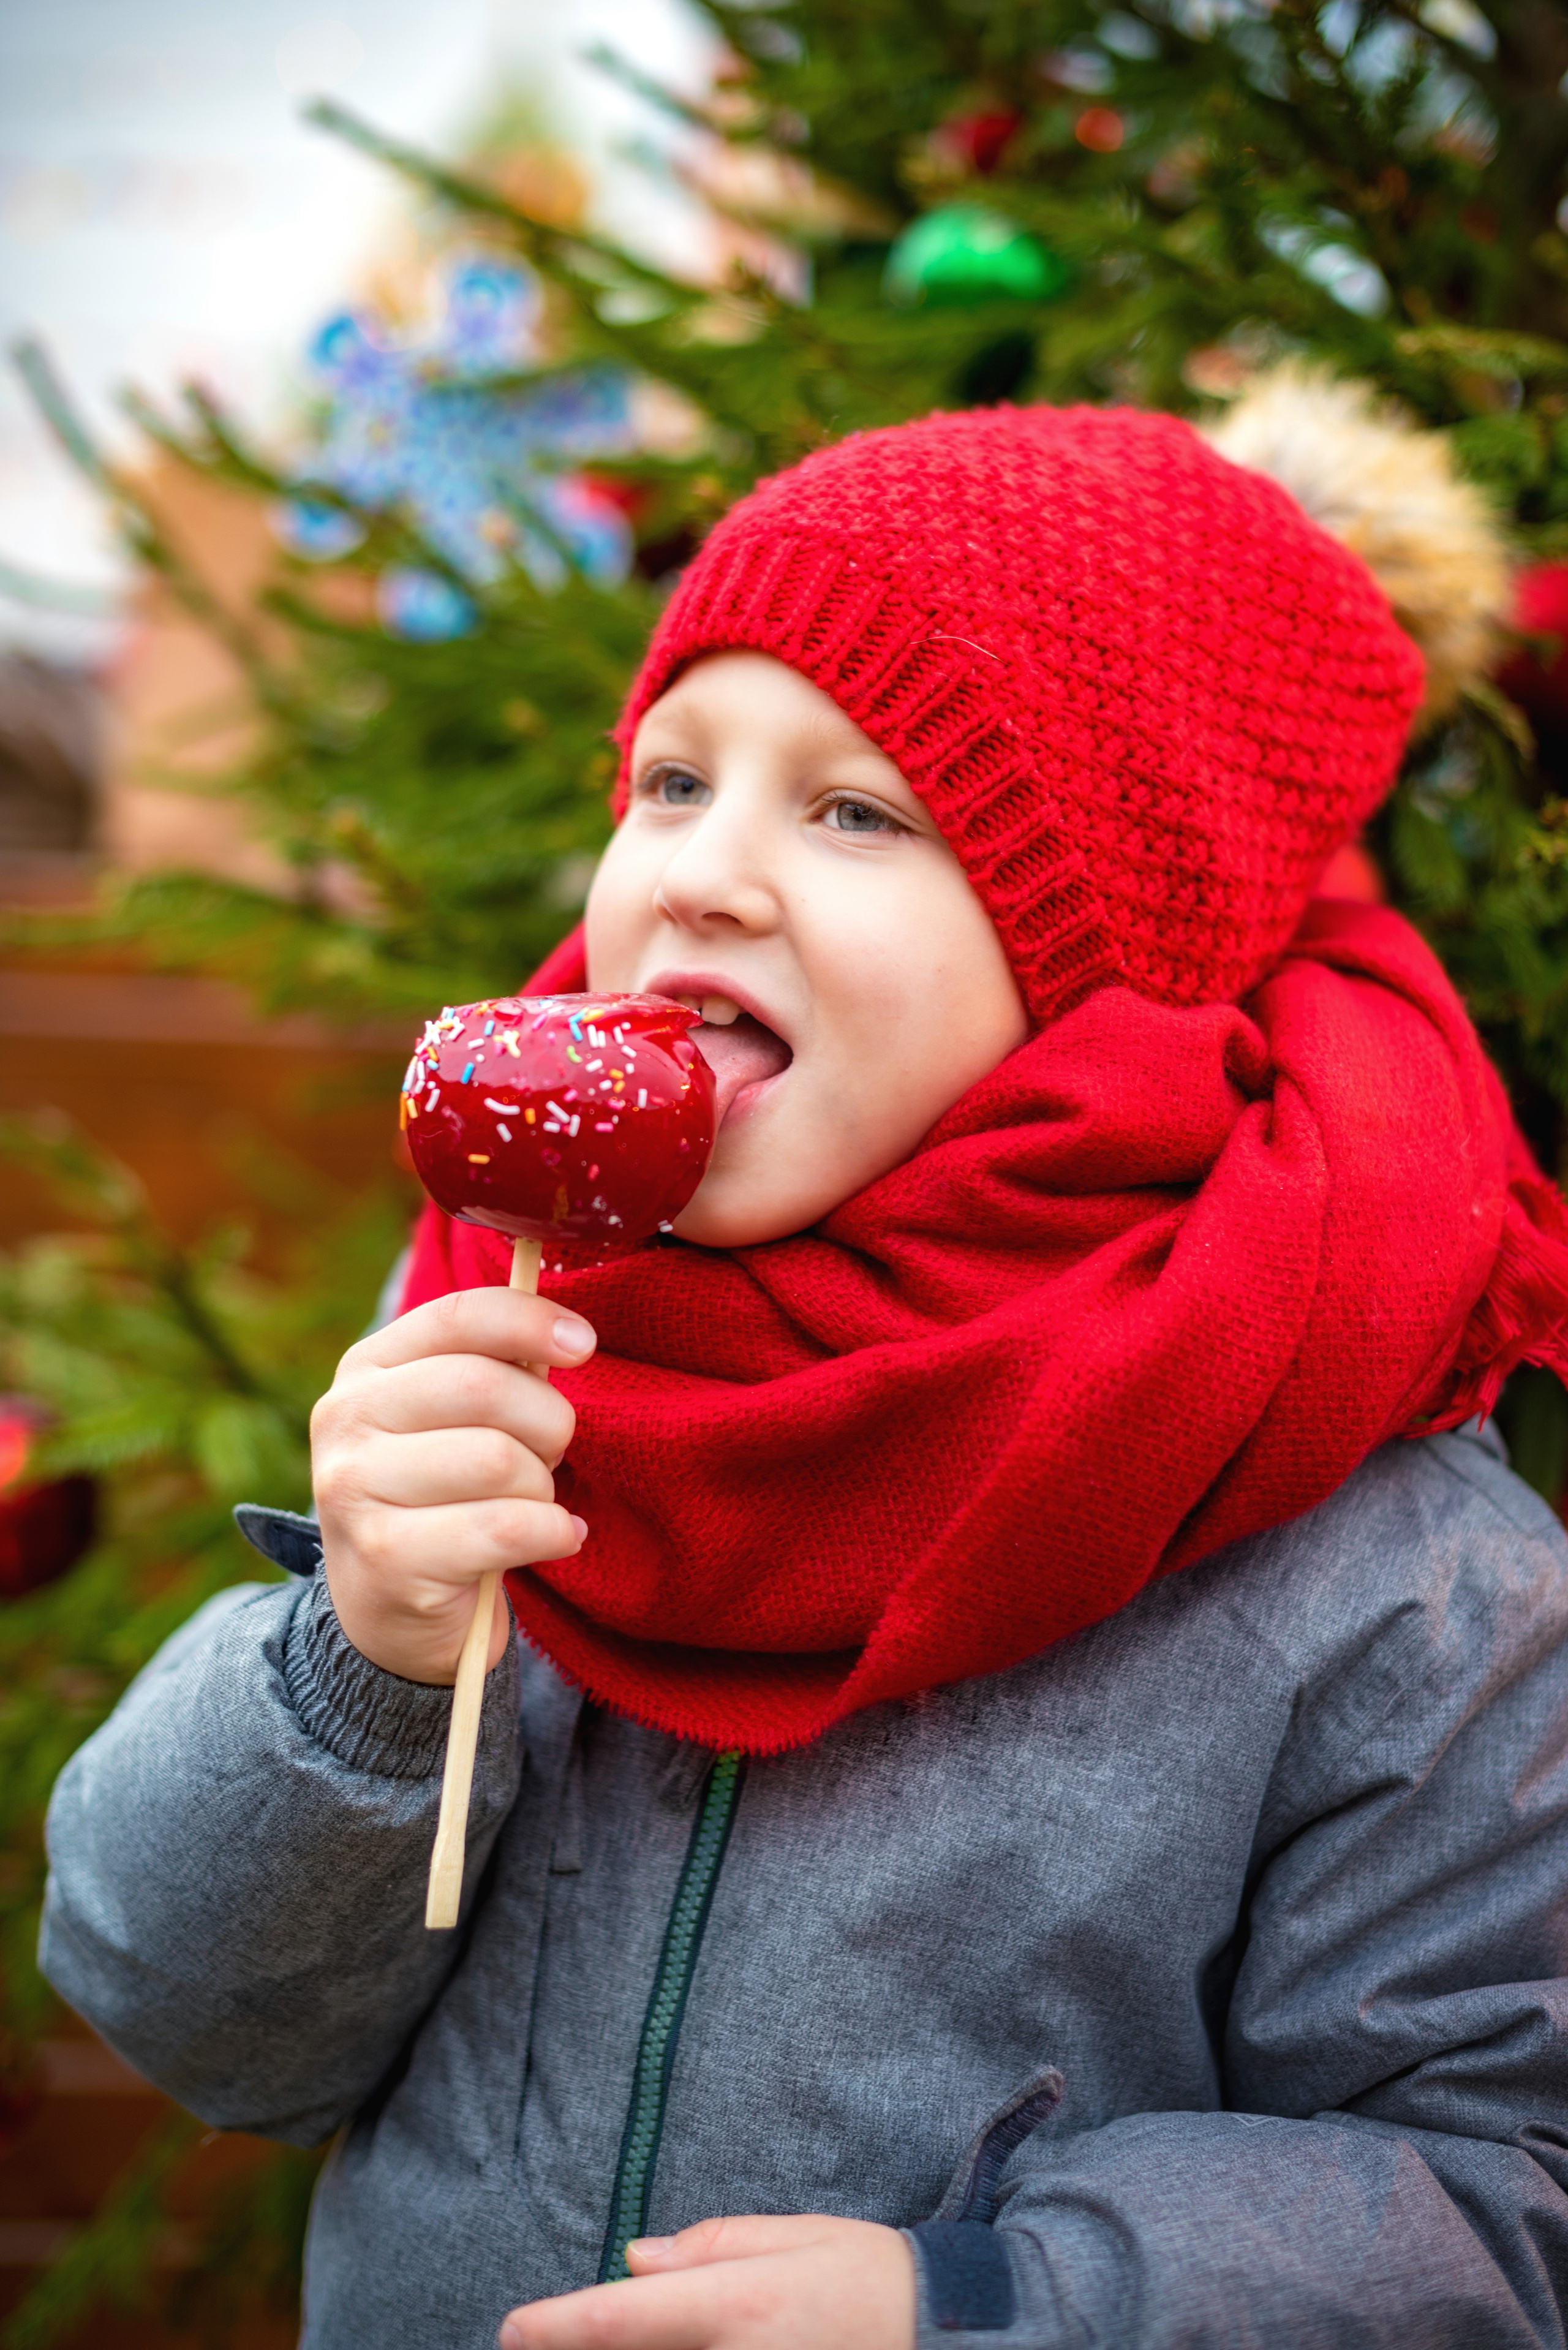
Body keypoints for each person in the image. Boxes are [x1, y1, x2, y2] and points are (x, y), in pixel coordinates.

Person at [40, 376, 1568, 2350]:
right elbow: (183, 2012)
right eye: (673, 781)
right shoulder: (517, 1361)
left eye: (857, 810)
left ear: (1094, 956)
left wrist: (999, 2300)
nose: (700, 872)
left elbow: (1505, 2209)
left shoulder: (1397, 1570)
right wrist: (362, 1656)